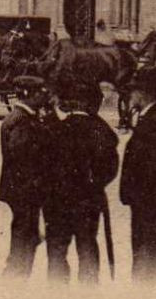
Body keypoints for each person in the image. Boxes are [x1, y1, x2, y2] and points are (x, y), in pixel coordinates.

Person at [44, 85, 119, 285]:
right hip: (88, 200)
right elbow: (110, 168)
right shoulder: (101, 130)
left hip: (57, 201)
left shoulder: (55, 129)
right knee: (87, 247)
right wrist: (94, 185)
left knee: (57, 251)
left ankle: (57, 295)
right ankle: (88, 295)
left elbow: (43, 165)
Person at [119, 84, 156, 283]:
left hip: (147, 202)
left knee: (147, 251)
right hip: (145, 201)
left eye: (132, 93)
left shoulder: (154, 122)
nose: (130, 98)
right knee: (147, 252)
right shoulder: (152, 119)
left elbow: (155, 168)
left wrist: (140, 197)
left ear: (141, 93)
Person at [0, 75, 50, 279]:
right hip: (24, 190)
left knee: (26, 235)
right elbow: (22, 159)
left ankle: (16, 275)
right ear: (28, 94)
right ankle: (14, 279)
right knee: (24, 238)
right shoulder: (22, 121)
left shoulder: (21, 117)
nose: (43, 96)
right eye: (39, 93)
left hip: (20, 189)